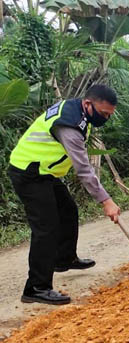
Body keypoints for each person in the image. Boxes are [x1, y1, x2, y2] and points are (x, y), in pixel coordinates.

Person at [7, 85, 121, 305]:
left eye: (109, 115)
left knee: (68, 210)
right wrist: (106, 201)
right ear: (88, 104)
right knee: (46, 228)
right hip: (29, 172)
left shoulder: (78, 111)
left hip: (45, 172)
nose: (105, 119)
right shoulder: (69, 124)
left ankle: (64, 258)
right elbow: (83, 169)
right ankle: (36, 288)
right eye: (104, 113)